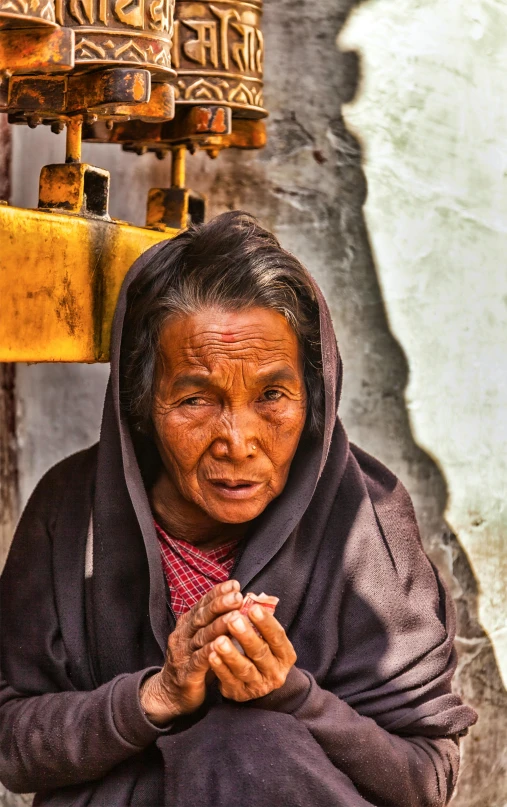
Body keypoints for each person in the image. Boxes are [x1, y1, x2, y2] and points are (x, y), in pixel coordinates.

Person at [0, 212, 476, 807]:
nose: (238, 439)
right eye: (196, 398)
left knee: (244, 741)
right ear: (144, 402)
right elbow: (11, 743)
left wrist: (294, 696)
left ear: (314, 398)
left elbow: (426, 778)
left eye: (272, 395)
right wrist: (158, 696)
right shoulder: (71, 515)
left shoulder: (367, 525)